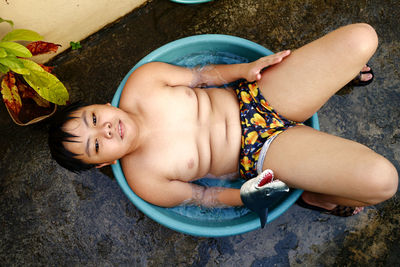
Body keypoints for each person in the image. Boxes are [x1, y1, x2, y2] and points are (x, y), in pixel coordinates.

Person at [49, 24, 398, 222]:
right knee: (382, 181)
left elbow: (202, 76)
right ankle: (316, 196)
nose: (105, 130)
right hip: (263, 153)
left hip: (259, 97)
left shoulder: (144, 81)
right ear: (107, 162)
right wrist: (250, 195)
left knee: (363, 38)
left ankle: (332, 79)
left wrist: (245, 70)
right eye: (96, 144)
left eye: (94, 119)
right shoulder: (145, 179)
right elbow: (205, 195)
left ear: (102, 105)